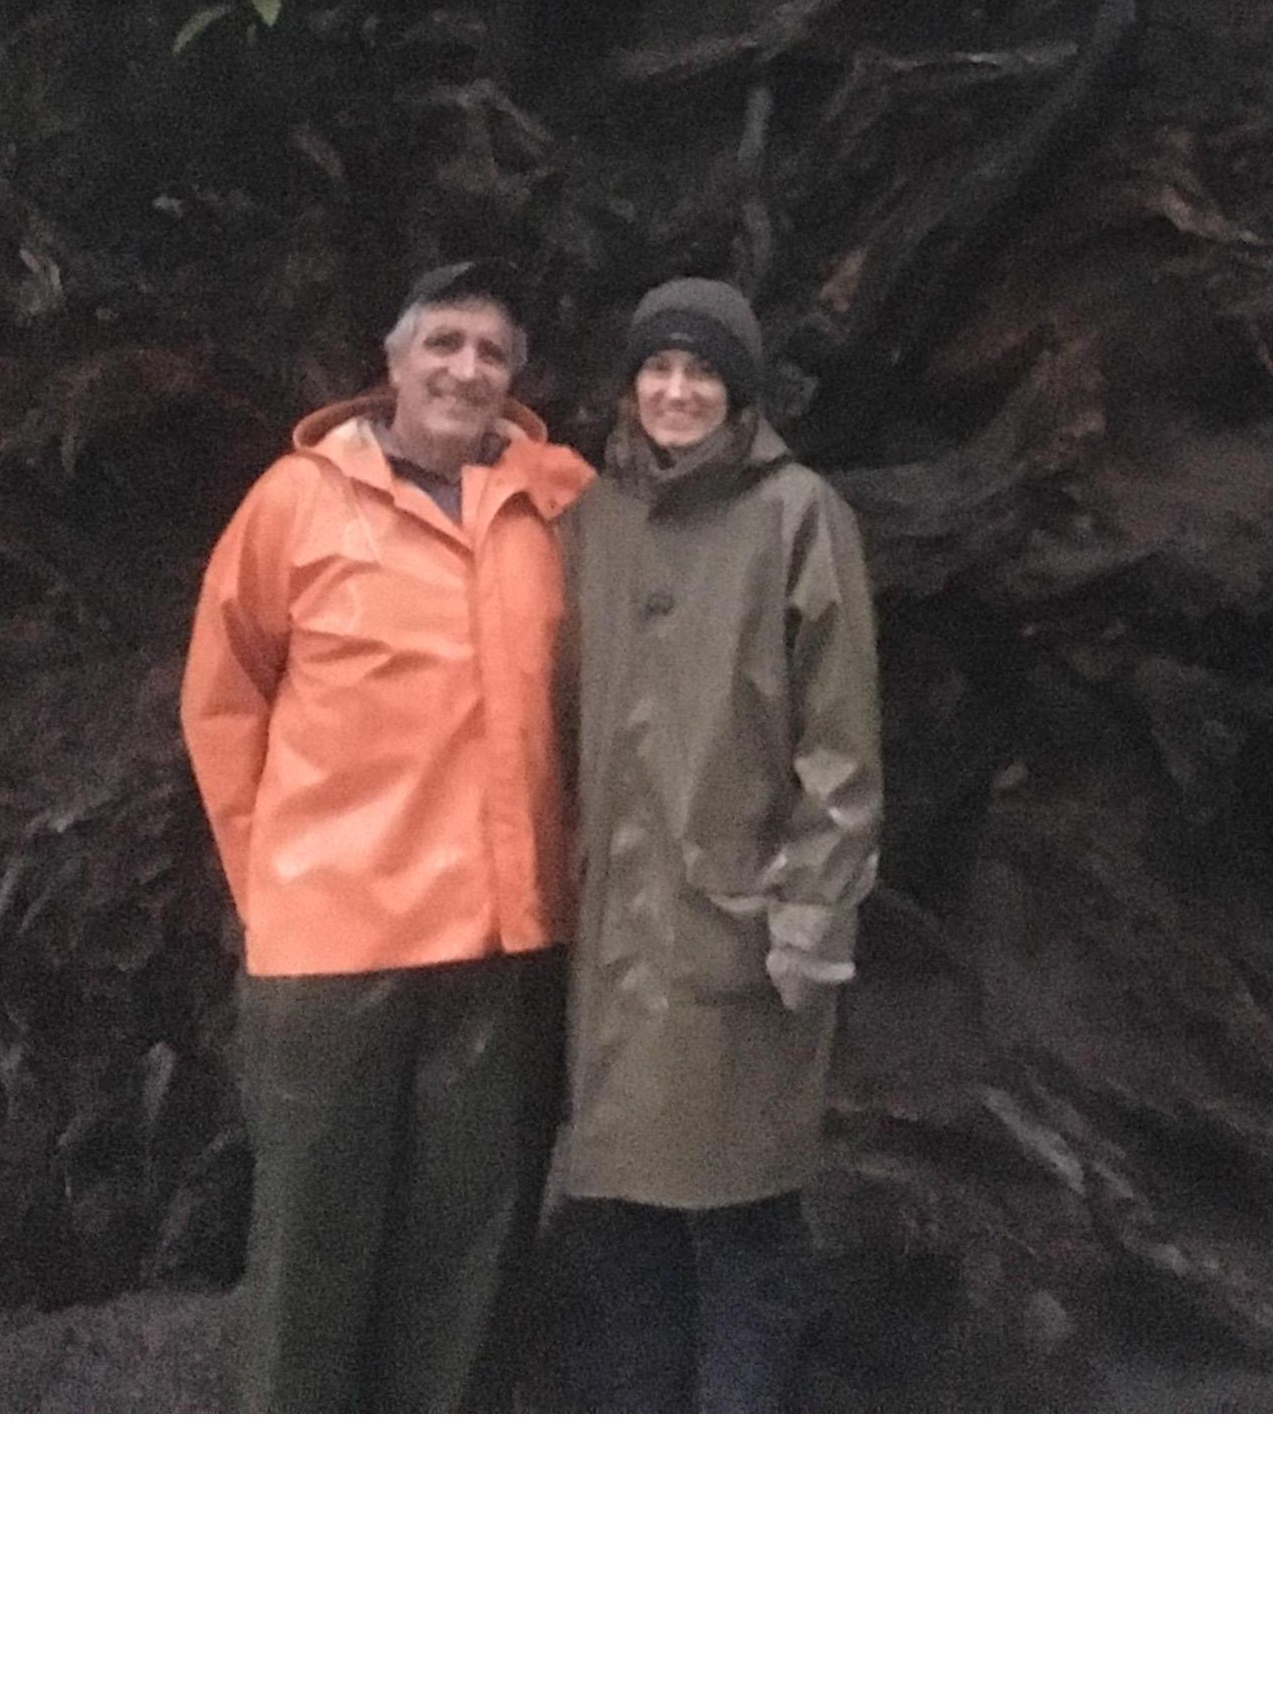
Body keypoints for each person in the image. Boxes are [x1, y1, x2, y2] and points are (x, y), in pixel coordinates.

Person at [180, 260, 591, 1411]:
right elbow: (224, 698)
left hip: (505, 939)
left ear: (516, 380)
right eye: (445, 343)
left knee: (470, 1254)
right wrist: (271, 878)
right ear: (395, 359)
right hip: (330, 943)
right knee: (314, 1249)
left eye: (493, 353)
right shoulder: (296, 501)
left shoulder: (558, 502)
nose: (468, 369)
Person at [549, 277, 881, 1410]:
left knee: (742, 1223)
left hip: (736, 927)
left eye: (702, 373)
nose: (676, 391)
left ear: (739, 394)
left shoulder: (798, 515)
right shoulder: (594, 517)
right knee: (627, 1229)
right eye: (658, 369)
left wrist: (811, 918)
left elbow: (842, 746)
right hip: (611, 936)